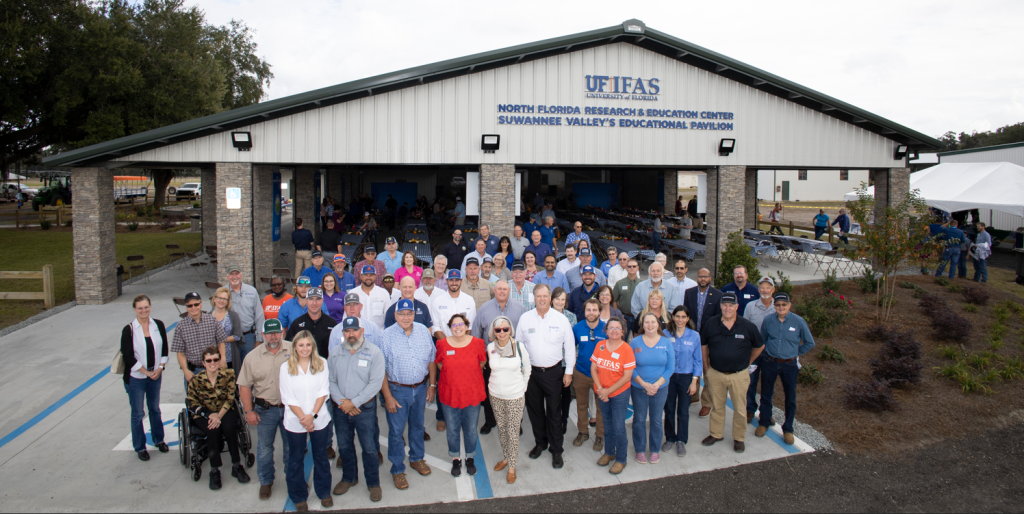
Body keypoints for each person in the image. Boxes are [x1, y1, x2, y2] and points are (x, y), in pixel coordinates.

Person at [516, 284, 575, 469]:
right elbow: (518, 346)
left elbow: (570, 347)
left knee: (554, 413)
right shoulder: (525, 318)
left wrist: (569, 372)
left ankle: (556, 450)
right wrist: (520, 372)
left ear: (550, 298)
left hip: (554, 373)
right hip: (531, 374)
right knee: (535, 412)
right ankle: (540, 443)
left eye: (545, 296)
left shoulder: (561, 319)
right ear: (533, 298)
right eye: (538, 296)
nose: (542, 299)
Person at [379, 299, 436, 489]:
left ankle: (416, 458)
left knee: (418, 426)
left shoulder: (422, 331)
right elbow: (381, 371)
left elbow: (431, 359)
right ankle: (397, 469)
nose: (406, 317)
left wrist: (432, 385)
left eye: (409, 313)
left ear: (414, 314)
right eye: (402, 314)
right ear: (395, 315)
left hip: (420, 388)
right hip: (397, 390)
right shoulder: (386, 336)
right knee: (396, 432)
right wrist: (388, 397)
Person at [328, 317, 386, 502]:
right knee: (344, 446)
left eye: (354, 330)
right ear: (343, 333)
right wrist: (342, 402)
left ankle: (373, 483)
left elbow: (375, 383)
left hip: (364, 409)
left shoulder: (374, 352)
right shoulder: (335, 353)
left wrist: (354, 403)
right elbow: (330, 380)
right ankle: (349, 478)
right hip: (341, 409)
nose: (351, 335)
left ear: (361, 331)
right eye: (347, 331)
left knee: (369, 448)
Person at [700, 293, 764, 453]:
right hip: (716, 373)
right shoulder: (711, 323)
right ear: (720, 306)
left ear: (737, 306)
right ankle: (716, 433)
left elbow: (759, 346)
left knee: (740, 409)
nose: (727, 308)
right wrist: (706, 367)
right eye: (724, 305)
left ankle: (739, 438)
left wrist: (748, 362)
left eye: (731, 305)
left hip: (738, 375)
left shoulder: (747, 326)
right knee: (717, 406)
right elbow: (704, 345)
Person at [238, 319, 292, 501]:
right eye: (269, 333)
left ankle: (293, 479)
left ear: (282, 333)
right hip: (265, 410)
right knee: (264, 449)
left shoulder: (294, 350)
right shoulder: (252, 357)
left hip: (290, 410)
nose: (273, 336)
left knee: (291, 447)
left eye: (276, 332)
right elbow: (244, 386)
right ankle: (266, 481)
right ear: (262, 335)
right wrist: (248, 411)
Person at [186, 345, 251, 493]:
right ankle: (214, 470)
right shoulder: (196, 380)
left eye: (215, 359)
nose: (212, 363)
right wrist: (209, 415)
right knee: (212, 430)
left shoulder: (228, 374)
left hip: (225, 410)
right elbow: (191, 403)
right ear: (203, 363)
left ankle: (236, 466)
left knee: (229, 428)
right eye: (208, 360)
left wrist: (218, 416)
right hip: (204, 413)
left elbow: (230, 398)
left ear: (220, 360)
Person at [280, 331, 333, 511]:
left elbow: (323, 392)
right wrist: (304, 418)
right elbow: (288, 397)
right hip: (295, 422)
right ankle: (298, 496)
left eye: (308, 345)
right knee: (295, 459)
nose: (305, 349)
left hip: (319, 419)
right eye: (301, 345)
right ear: (295, 346)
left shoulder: (322, 363)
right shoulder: (285, 367)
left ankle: (324, 492)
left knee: (321, 457)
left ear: (313, 346)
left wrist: (313, 416)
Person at [471, 279, 528, 434]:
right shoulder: (484, 309)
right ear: (494, 291)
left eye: (505, 289)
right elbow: (476, 335)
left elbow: (525, 333)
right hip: (491, 358)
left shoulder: (520, 308)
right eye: (499, 289)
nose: (502, 291)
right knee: (491, 390)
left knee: (514, 392)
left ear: (509, 291)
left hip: (513, 357)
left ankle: (515, 422)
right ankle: (490, 420)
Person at [756, 293, 814, 445]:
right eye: (778, 305)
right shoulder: (768, 320)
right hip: (770, 361)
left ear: (789, 305)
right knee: (766, 394)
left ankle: (788, 429)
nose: (781, 307)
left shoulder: (799, 321)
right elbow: (763, 339)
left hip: (789, 365)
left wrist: (795, 352)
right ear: (774, 306)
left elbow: (809, 342)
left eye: (784, 304)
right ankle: (764, 422)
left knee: (790, 397)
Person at [434, 313, 487, 477]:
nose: (458, 327)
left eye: (461, 324)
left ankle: (470, 457)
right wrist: (452, 376)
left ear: (466, 326)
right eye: (454, 325)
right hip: (450, 393)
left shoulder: (477, 343)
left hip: (472, 393)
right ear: (450, 328)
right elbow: (439, 363)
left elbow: (482, 362)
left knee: (471, 429)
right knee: (452, 430)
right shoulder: (442, 344)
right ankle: (456, 458)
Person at [120, 295, 169, 461]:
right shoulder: (129, 330)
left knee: (154, 408)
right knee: (138, 413)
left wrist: (160, 368)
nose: (143, 310)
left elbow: (164, 350)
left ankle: (159, 439)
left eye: (146, 307)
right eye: (140, 308)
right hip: (136, 378)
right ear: (134, 309)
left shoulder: (158, 325)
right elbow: (128, 356)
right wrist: (146, 372)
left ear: (150, 306)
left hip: (155, 375)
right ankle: (140, 447)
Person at [485, 316, 530, 484]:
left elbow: (527, 368)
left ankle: (512, 466)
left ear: (511, 329)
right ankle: (506, 457)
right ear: (494, 332)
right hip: (495, 394)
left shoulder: (519, 347)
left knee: (512, 431)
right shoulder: (490, 348)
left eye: (506, 329)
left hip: (515, 396)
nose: (502, 332)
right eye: (498, 330)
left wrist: (523, 387)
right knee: (502, 429)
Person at [591, 317, 635, 475]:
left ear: (623, 331)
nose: (614, 331)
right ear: (606, 331)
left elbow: (626, 376)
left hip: (618, 394)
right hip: (602, 392)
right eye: (611, 328)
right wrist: (601, 389)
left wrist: (608, 392)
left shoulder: (626, 349)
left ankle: (621, 459)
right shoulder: (600, 345)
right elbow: (594, 369)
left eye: (618, 328)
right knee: (607, 425)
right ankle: (609, 452)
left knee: (618, 427)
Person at [630, 313, 674, 464]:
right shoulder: (635, 342)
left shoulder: (666, 343)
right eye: (646, 322)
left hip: (660, 388)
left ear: (658, 324)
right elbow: (630, 367)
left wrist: (656, 385)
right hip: (638, 387)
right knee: (639, 419)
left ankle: (654, 450)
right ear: (642, 325)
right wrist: (644, 384)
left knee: (656, 420)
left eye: (653, 322)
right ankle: (640, 449)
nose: (650, 325)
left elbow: (670, 368)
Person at [683, 268, 723, 417]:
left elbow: (719, 319)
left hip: (709, 339)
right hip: (692, 336)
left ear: (710, 278)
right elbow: (686, 314)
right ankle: (693, 395)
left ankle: (706, 402)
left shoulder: (718, 295)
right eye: (700, 276)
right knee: (693, 365)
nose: (703, 279)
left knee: (707, 369)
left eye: (706, 276)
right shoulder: (689, 293)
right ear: (697, 277)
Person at [662, 305, 701, 456]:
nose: (680, 320)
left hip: (686, 377)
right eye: (677, 316)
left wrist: (694, 381)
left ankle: (681, 440)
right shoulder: (665, 334)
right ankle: (670, 438)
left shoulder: (694, 336)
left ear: (688, 318)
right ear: (673, 317)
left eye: (683, 317)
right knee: (669, 408)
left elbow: (698, 360)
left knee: (683, 410)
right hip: (670, 377)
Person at [570, 300, 607, 451]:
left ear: (599, 311)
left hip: (601, 375)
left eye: (594, 310)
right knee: (581, 405)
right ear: (584, 312)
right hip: (581, 372)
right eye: (588, 310)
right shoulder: (577, 327)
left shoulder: (606, 329)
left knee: (601, 407)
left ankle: (600, 435)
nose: (591, 313)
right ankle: (583, 432)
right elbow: (571, 348)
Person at [172, 292, 228, 385]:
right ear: (186, 307)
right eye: (190, 305)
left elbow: (221, 342)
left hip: (213, 368)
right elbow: (180, 352)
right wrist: (185, 371)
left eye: (196, 304)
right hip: (193, 371)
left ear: (201, 304)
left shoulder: (212, 320)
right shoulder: (180, 326)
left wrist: (223, 360)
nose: (193, 307)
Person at [743, 276, 777, 424]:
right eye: (762, 287)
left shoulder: (779, 306)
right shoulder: (750, 306)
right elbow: (745, 328)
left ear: (773, 290)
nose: (765, 290)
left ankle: (766, 413)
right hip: (754, 351)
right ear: (758, 290)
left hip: (772, 353)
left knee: (768, 384)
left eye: (768, 287)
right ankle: (750, 409)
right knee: (751, 382)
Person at [285, 287, 338, 362]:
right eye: (311, 299)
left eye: (318, 299)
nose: (314, 303)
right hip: (302, 367)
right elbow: (289, 346)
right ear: (306, 301)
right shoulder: (297, 323)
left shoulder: (332, 323)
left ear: (323, 301)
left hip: (325, 367)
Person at [225, 267, 264, 360]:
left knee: (249, 366)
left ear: (241, 275)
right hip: (229, 339)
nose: (234, 276)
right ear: (227, 276)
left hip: (248, 337)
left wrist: (259, 339)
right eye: (231, 274)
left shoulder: (252, 291)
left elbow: (259, 315)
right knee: (232, 368)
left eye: (237, 273)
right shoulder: (222, 292)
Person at [210, 287, 244, 373]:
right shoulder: (207, 316)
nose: (222, 301)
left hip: (230, 356)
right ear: (214, 299)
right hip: (212, 357)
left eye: (225, 299)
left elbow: (237, 336)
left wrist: (219, 340)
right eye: (219, 298)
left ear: (228, 302)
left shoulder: (233, 316)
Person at [353, 265, 391, 330]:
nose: (368, 277)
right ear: (361, 277)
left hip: (379, 335)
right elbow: (346, 317)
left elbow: (388, 317)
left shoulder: (384, 293)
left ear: (375, 276)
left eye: (371, 275)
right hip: (357, 336)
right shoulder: (353, 293)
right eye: (365, 275)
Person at [612, 258, 642, 334]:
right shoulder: (619, 283)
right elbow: (614, 300)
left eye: (634, 266)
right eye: (629, 266)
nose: (632, 268)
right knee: (622, 340)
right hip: (624, 317)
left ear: (638, 268)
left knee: (638, 341)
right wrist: (619, 315)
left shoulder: (642, 284)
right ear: (626, 268)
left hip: (639, 317)